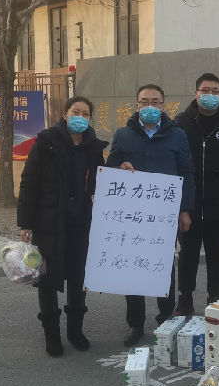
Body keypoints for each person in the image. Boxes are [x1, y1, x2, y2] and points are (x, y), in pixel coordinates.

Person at [106, 84, 196, 347]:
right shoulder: (123, 135)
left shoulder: (177, 136)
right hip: (131, 215)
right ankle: (135, 323)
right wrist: (119, 168)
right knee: (132, 268)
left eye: (155, 102)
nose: (150, 106)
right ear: (136, 105)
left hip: (164, 215)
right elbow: (110, 169)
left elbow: (187, 173)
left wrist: (185, 209)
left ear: (163, 106)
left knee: (163, 268)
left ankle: (166, 319)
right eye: (144, 102)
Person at [17, 96, 107, 357]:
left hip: (81, 224)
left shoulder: (93, 147)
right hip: (49, 223)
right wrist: (25, 223)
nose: (80, 117)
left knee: (79, 280)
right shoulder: (46, 143)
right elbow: (29, 182)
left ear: (90, 118)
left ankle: (75, 332)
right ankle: (52, 335)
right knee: (48, 280)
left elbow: (102, 181)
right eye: (75, 112)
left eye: (85, 114)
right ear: (65, 114)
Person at [174, 73, 219, 315]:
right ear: (196, 93)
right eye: (205, 90)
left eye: (215, 91)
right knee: (188, 253)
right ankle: (185, 298)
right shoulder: (182, 122)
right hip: (190, 202)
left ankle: (214, 297)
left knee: (217, 253)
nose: (210, 95)